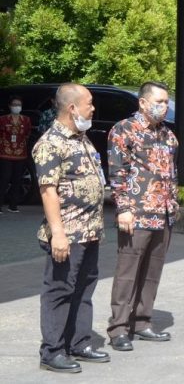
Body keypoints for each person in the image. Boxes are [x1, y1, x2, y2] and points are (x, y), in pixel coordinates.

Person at [35, 83, 110, 373]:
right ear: (72, 108)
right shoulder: (51, 143)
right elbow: (48, 191)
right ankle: (52, 352)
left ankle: (79, 342)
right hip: (67, 233)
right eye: (89, 103)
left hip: (89, 230)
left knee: (84, 288)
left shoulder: (81, 138)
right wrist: (59, 233)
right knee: (59, 290)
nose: (93, 108)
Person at [107, 81, 178, 352]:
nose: (164, 106)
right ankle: (119, 328)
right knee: (128, 272)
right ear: (143, 103)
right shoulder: (123, 130)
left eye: (166, 101)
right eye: (159, 101)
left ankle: (143, 321)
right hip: (136, 213)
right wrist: (123, 207)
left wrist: (173, 204)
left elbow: (172, 172)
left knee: (152, 271)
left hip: (163, 212)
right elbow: (117, 173)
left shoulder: (167, 135)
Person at [0, 95, 32, 213]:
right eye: (14, 105)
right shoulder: (3, 119)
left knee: (17, 179)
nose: (17, 107)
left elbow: (27, 134)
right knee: (4, 178)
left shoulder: (26, 120)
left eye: (19, 105)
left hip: (20, 153)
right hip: (5, 153)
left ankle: (13, 205)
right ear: (10, 106)